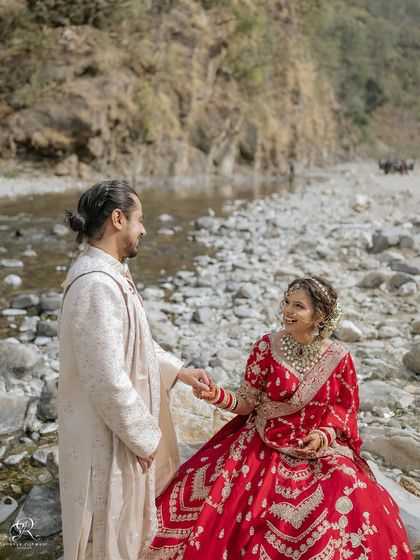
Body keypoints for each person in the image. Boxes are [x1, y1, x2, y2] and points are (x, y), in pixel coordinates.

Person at [144, 276, 414, 559]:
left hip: (316, 449)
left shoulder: (339, 357)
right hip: (264, 443)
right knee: (243, 506)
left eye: (299, 306)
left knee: (350, 486)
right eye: (287, 302)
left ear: (319, 315)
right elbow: (246, 402)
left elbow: (344, 408)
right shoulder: (266, 347)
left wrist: (325, 434)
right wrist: (216, 395)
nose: (288, 311)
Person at [57, 180, 210, 560]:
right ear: (118, 219)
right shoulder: (96, 284)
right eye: (140, 220)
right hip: (106, 435)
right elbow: (106, 377)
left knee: (125, 524)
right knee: (110, 529)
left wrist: (179, 371)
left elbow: (136, 342)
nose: (144, 229)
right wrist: (145, 437)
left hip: (115, 430)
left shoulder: (109, 273)